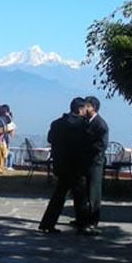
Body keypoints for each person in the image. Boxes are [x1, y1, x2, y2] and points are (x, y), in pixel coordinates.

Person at [39, 98, 91, 234]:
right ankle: (83, 225)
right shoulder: (82, 125)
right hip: (77, 166)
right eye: (85, 109)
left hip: (61, 164)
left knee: (58, 196)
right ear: (80, 109)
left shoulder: (56, 123)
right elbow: (86, 145)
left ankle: (47, 223)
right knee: (80, 197)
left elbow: (50, 139)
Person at [85, 95, 109, 232]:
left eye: (87, 106)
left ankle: (93, 220)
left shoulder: (100, 124)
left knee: (94, 192)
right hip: (86, 161)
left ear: (93, 107)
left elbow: (102, 145)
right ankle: (84, 217)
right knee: (85, 190)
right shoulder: (87, 121)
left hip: (95, 162)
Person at [0, 105, 10, 174]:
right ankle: (1, 168)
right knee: (1, 157)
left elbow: (0, 129)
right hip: (3, 140)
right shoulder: (5, 119)